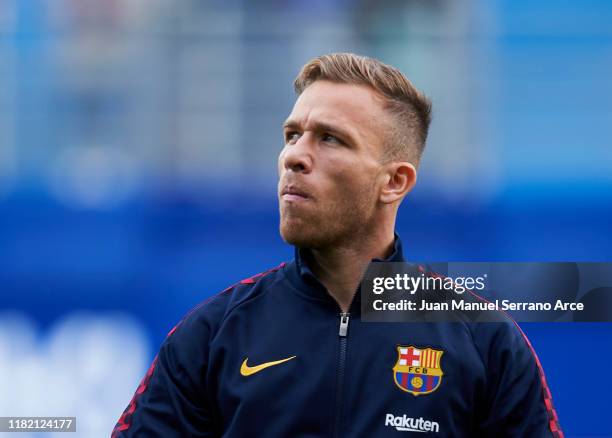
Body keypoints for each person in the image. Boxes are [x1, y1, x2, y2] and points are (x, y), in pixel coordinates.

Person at [112, 53, 563, 437]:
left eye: (330, 138)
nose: (294, 156)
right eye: (292, 135)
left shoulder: (484, 341)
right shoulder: (213, 335)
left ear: (395, 182)